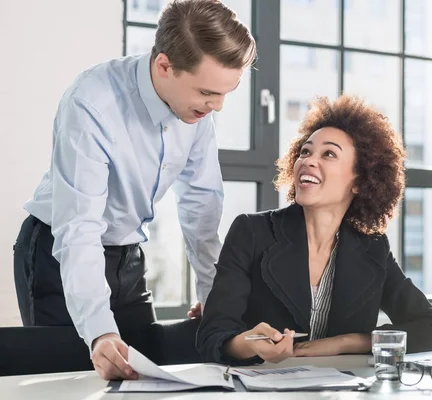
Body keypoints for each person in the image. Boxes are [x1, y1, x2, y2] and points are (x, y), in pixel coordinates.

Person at [13, 0, 255, 380]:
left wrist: (215, 298)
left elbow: (201, 209)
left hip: (128, 255)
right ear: (164, 66)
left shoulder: (199, 108)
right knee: (71, 378)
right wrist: (100, 332)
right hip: (57, 254)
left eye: (227, 93)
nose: (219, 107)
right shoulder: (92, 102)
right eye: (209, 92)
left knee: (142, 374)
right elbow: (78, 227)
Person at [196, 95, 432, 366]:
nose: (308, 161)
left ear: (361, 182)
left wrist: (347, 343)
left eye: (328, 154)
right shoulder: (252, 232)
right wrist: (251, 344)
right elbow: (213, 336)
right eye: (305, 151)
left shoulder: (372, 247)